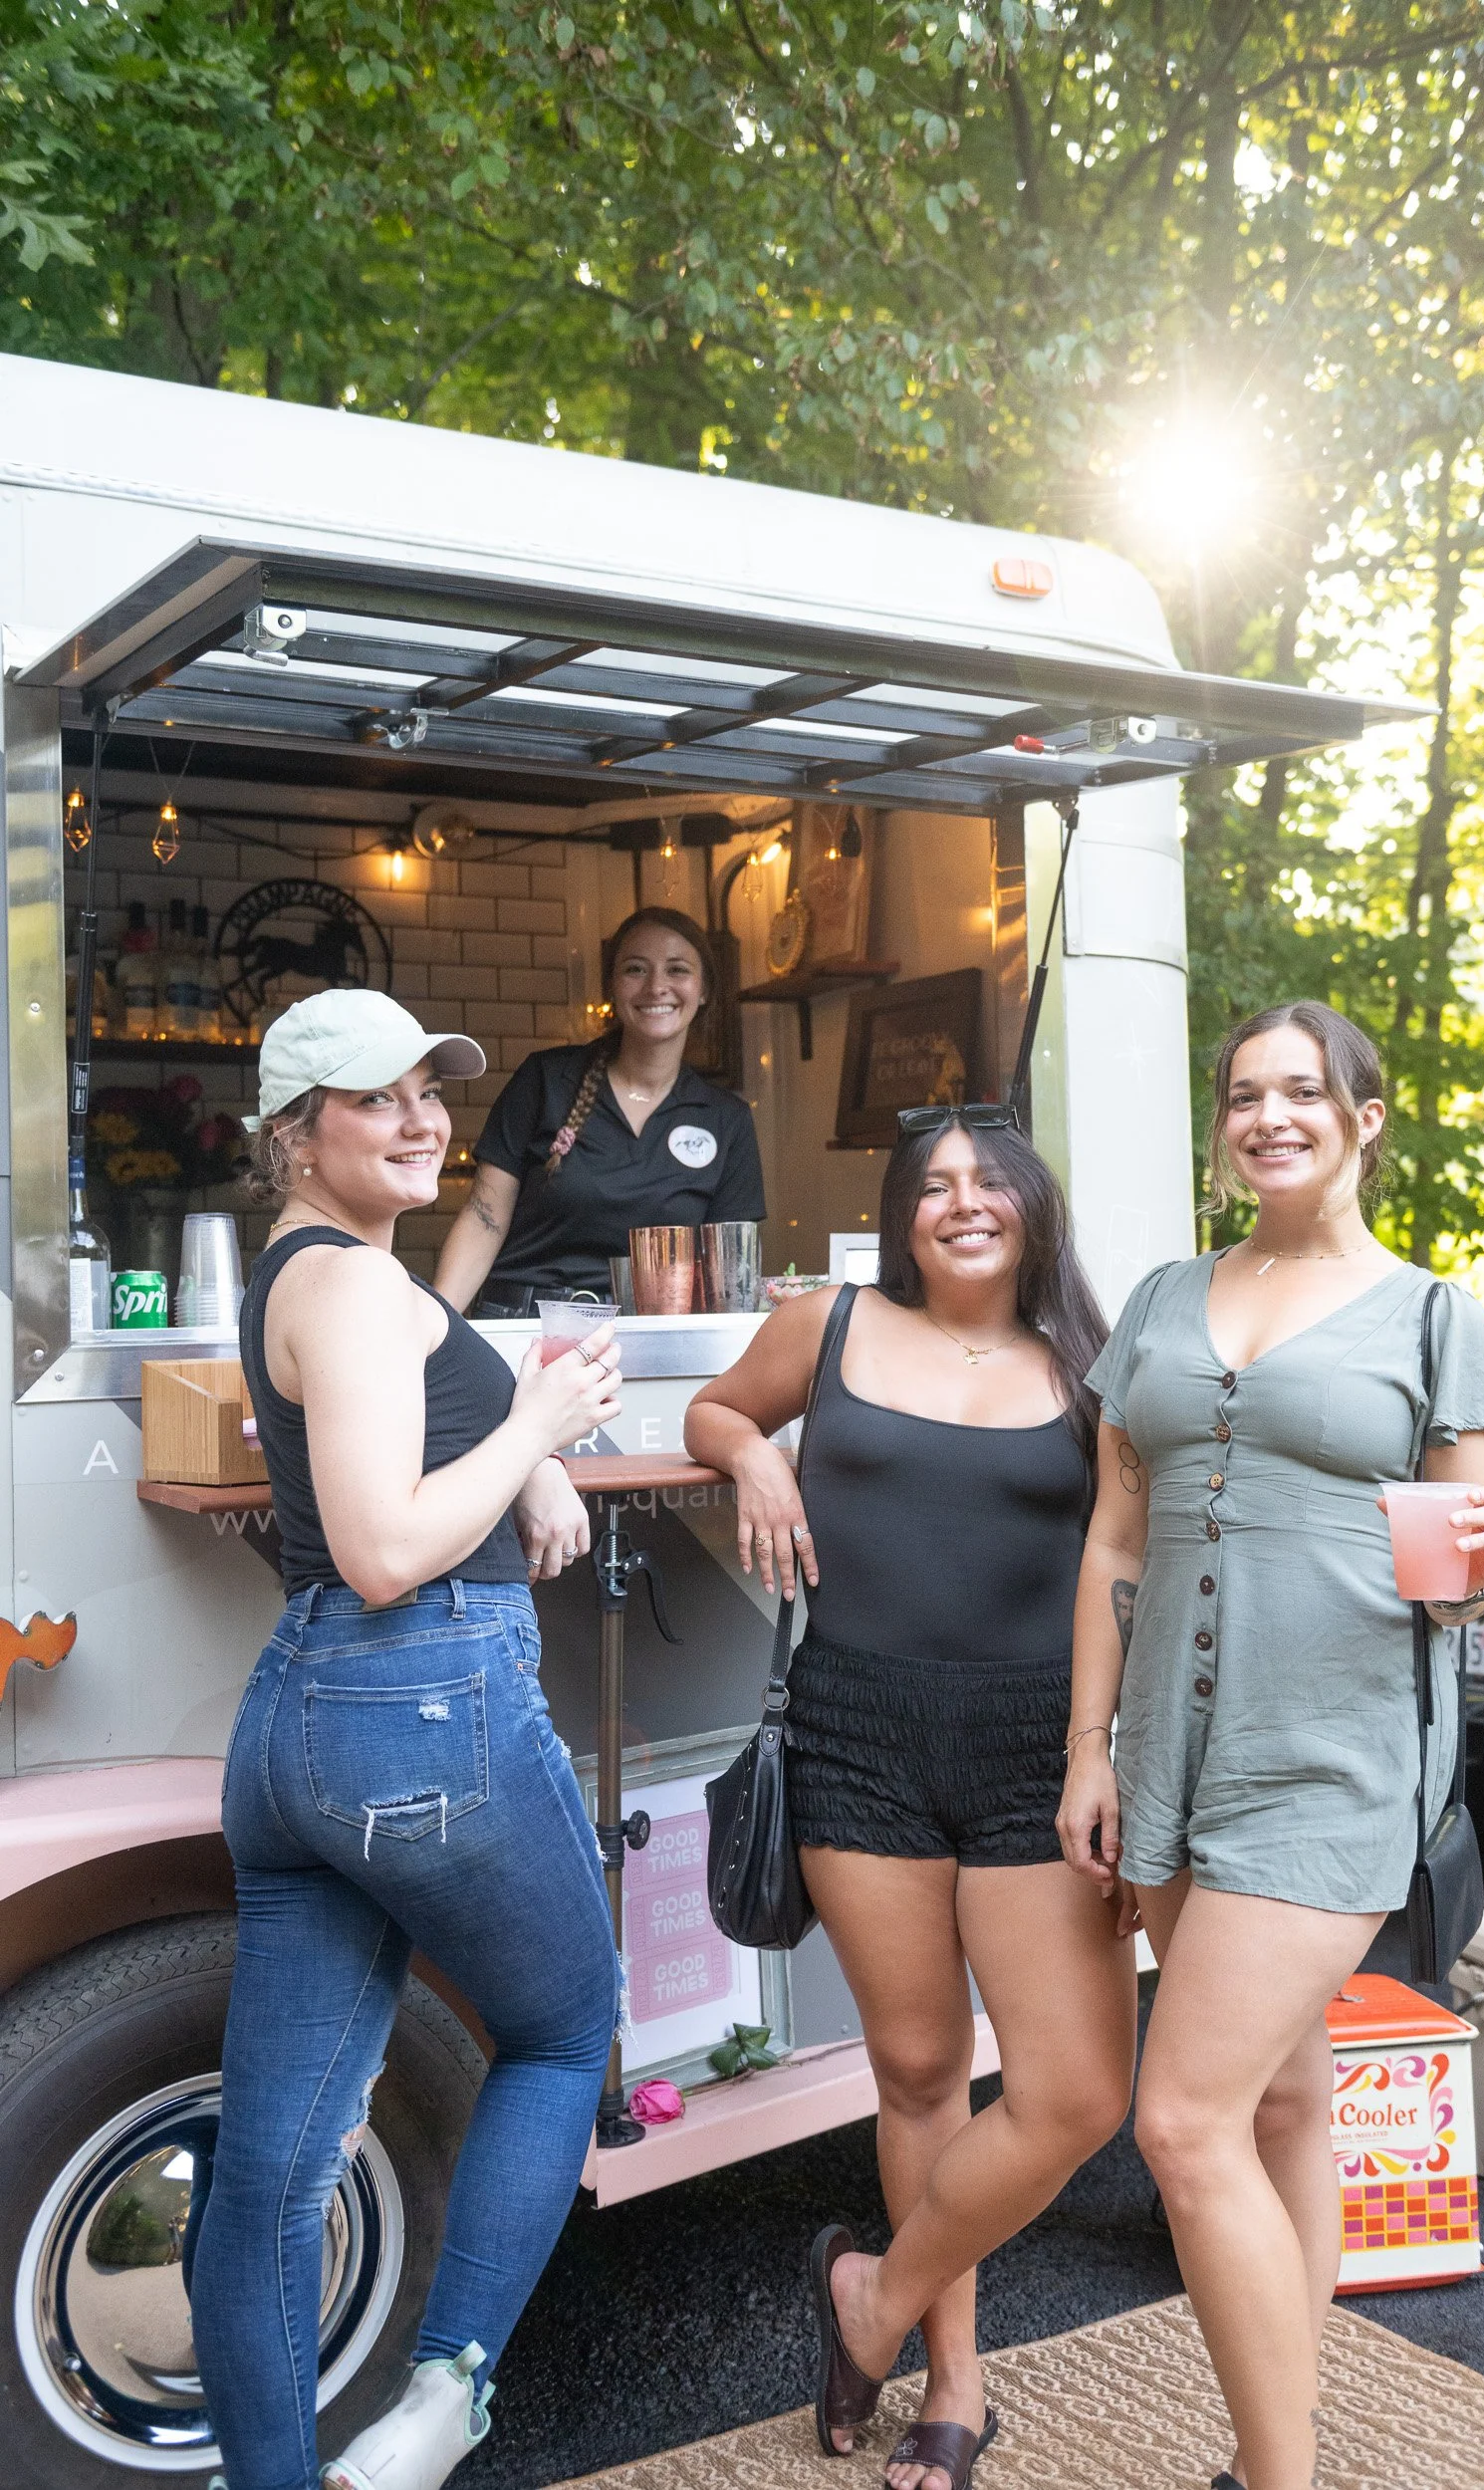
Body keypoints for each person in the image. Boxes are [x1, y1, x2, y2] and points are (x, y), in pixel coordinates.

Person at [1058, 1001, 1484, 2490]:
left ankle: (1276, 2476)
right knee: (1278, 2101)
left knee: (1180, 2121)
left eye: (1300, 1092)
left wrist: (1472, 1575)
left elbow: (1461, 1571)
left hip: (1328, 1757)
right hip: (1169, 1753)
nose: (1269, 1116)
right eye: (1243, 1094)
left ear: (1361, 1116)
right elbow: (1109, 1540)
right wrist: (1090, 1749)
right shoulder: (1156, 1297)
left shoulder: (1435, 1320)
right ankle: (1297, 2404)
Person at [188, 988, 624, 2490]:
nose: (425, 1119)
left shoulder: (304, 1277)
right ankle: (442, 2399)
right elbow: (381, 1548)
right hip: (419, 1697)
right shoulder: (363, 1290)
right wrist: (540, 1430)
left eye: (433, 1093)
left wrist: (520, 1468)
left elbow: (388, 1453)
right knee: (566, 2032)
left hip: (296, 1725)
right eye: (379, 1099)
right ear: (293, 1131)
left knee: (272, 2168)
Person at [685, 1107, 1137, 2490]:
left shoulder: (1089, 1364)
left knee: (1070, 2093)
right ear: (900, 1211)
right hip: (856, 1732)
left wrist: (1101, 1743)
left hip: (1032, 1746)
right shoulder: (825, 1325)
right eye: (929, 1183)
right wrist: (752, 1452)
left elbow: (1125, 1555)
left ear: (1027, 1208)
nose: (958, 1202)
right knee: (921, 2072)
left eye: (985, 1182)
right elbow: (714, 1408)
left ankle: (868, 2298)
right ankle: (953, 2382)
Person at [434, 905, 765, 1312]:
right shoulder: (547, 1080)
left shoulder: (724, 1118)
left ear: (705, 990)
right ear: (612, 985)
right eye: (635, 969)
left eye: (677, 969)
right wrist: (437, 1330)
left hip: (649, 1338)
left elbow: (729, 1276)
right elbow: (484, 1220)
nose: (656, 986)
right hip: (523, 1324)